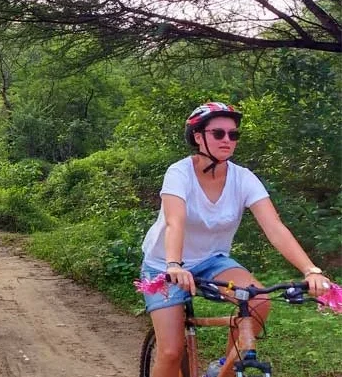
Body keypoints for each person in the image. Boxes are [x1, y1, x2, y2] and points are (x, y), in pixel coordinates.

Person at [139, 102, 332, 377]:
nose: (228, 140)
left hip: (212, 261)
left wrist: (311, 270)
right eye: (218, 133)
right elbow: (175, 221)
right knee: (171, 352)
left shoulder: (243, 178)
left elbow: (275, 227)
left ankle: (223, 369)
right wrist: (173, 264)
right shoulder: (179, 173)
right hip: (164, 266)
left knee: (258, 301)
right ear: (198, 136)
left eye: (233, 135)